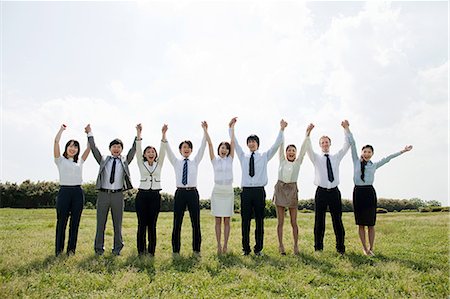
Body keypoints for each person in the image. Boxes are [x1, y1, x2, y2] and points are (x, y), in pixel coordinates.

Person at [347, 122, 413, 256]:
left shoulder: (374, 165)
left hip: (369, 193)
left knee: (371, 223)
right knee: (361, 224)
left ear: (372, 154)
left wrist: (403, 151)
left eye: (369, 152)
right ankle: (364, 248)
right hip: (358, 192)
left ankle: (371, 248)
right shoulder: (355, 161)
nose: (366, 153)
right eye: (365, 151)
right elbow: (352, 144)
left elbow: (388, 158)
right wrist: (347, 128)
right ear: (362, 152)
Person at [231, 117, 287, 256]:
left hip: (259, 191)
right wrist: (231, 128)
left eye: (253, 142)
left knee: (259, 221)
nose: (251, 144)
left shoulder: (264, 156)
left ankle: (258, 249)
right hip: (246, 192)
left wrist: (281, 129)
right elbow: (235, 143)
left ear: (257, 144)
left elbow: (275, 145)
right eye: (249, 142)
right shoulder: (243, 156)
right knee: (245, 221)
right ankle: (246, 249)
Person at [85, 124, 136, 256]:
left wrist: (138, 135)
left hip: (118, 195)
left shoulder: (124, 161)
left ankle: (117, 249)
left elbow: (133, 150)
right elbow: (94, 149)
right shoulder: (103, 160)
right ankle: (98, 249)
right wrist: (90, 133)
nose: (116, 149)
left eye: (119, 147)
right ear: (110, 149)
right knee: (100, 223)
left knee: (117, 224)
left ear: (121, 150)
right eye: (114, 147)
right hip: (103, 194)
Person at [305, 121, 351, 254]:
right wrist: (308, 133)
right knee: (319, 221)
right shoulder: (316, 158)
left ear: (330, 144)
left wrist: (346, 129)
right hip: (321, 192)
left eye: (327, 142)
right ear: (320, 145)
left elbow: (347, 145)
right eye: (322, 142)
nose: (325, 144)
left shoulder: (336, 157)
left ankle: (340, 248)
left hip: (334, 192)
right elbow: (307, 148)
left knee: (337, 220)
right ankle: (318, 248)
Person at [166, 122, 208, 256]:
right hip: (180, 193)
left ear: (191, 150)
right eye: (184, 147)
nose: (186, 149)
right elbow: (167, 150)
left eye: (189, 147)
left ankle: (196, 250)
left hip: (193, 193)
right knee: (177, 222)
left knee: (195, 222)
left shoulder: (195, 161)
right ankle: (175, 251)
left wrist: (205, 131)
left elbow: (203, 147)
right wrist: (164, 134)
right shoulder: (176, 162)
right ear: (180, 150)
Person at [54, 124, 90, 256]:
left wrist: (88, 133)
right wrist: (61, 130)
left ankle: (71, 251)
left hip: (77, 193)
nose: (73, 148)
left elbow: (89, 148)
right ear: (66, 148)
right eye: (70, 146)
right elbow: (56, 142)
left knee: (75, 223)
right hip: (64, 192)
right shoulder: (60, 160)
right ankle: (58, 251)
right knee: (62, 222)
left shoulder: (80, 161)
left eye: (75, 146)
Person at [134, 123, 167, 256]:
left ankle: (151, 251)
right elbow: (137, 150)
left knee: (152, 225)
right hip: (142, 195)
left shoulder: (159, 163)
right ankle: (141, 250)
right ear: (145, 155)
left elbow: (163, 150)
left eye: (153, 152)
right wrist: (139, 134)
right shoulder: (141, 164)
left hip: (155, 196)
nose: (151, 153)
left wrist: (163, 134)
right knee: (142, 224)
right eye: (148, 152)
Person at [273, 133, 309, 255]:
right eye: (289, 150)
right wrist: (282, 130)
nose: (291, 152)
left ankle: (295, 245)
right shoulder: (282, 161)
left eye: (293, 150)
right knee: (280, 222)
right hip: (280, 189)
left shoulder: (298, 162)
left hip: (292, 190)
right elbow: (281, 145)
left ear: (295, 153)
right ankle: (281, 245)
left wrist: (307, 134)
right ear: (286, 153)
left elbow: (304, 150)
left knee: (294, 222)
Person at [205, 119, 235, 254]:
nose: (224, 150)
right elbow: (210, 144)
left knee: (227, 221)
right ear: (219, 150)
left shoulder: (230, 159)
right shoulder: (214, 160)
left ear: (229, 151)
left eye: (226, 148)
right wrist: (206, 130)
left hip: (228, 191)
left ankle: (225, 245)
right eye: (222, 148)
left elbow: (233, 142)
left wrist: (231, 128)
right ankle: (218, 245)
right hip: (217, 191)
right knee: (218, 220)